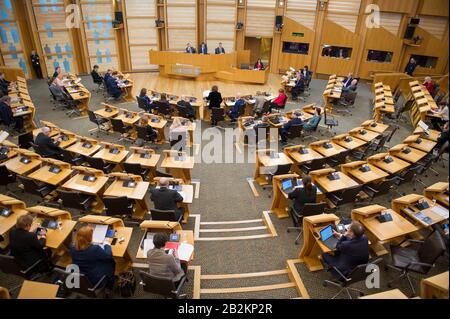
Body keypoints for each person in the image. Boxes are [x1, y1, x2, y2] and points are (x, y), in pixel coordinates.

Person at [69, 226, 116, 294]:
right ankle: (109, 286)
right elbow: (108, 256)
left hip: (77, 277)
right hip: (93, 280)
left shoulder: (72, 247)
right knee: (111, 262)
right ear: (90, 238)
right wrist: (107, 245)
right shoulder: (94, 249)